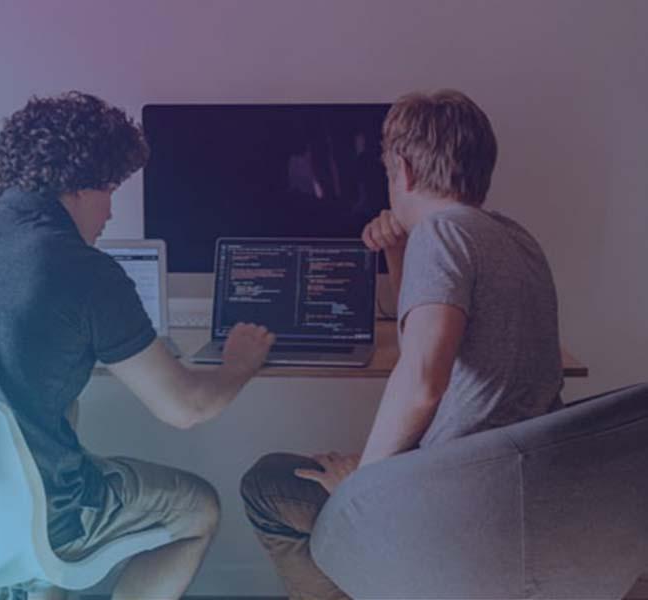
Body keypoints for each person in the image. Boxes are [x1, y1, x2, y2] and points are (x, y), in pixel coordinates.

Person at [0, 91, 275, 600]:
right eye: (110, 190)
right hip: (32, 517)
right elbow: (186, 407)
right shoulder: (79, 267)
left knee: (62, 421)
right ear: (80, 185)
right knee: (198, 507)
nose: (111, 212)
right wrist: (239, 364)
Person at [240, 89, 564, 600]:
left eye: (388, 170)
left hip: (453, 504)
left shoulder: (442, 235)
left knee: (265, 484)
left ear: (405, 170)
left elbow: (421, 383)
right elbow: (427, 330)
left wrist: (362, 485)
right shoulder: (515, 237)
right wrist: (397, 250)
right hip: (519, 496)